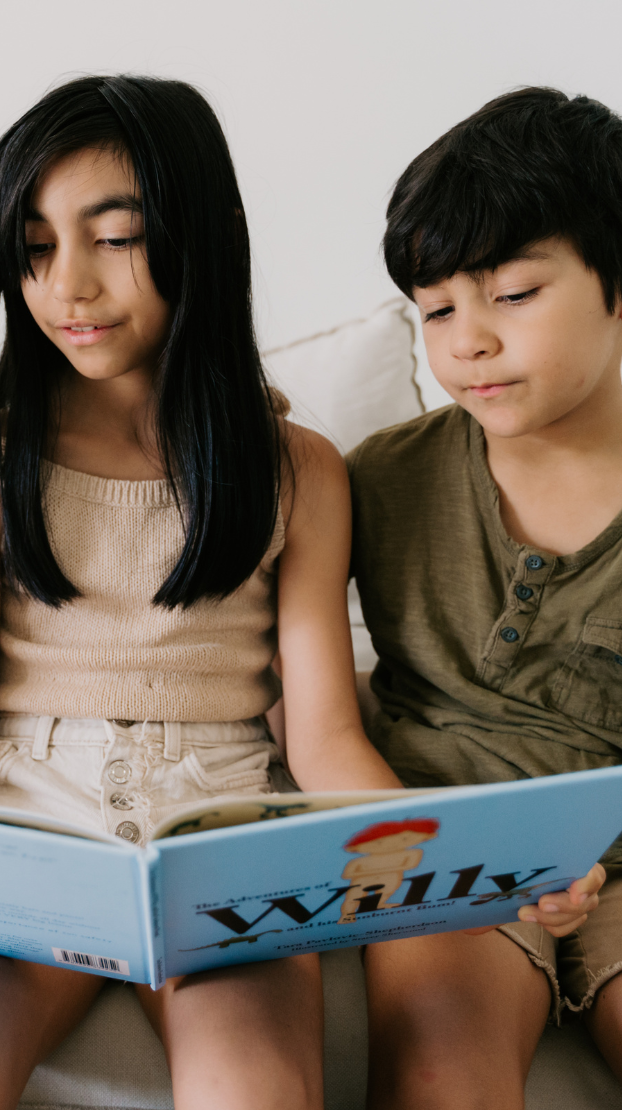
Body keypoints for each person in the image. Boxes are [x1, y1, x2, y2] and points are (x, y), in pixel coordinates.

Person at [0, 74, 402, 1110]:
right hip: (22, 826)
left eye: (113, 236)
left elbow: (327, 736)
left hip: (225, 840)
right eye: (35, 245)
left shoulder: (299, 471)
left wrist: (451, 866)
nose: (67, 284)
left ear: (199, 234)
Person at [348, 87, 622, 1107]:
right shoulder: (382, 477)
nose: (466, 340)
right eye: (435, 309)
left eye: (510, 295)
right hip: (450, 852)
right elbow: (273, 668)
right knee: (438, 1066)